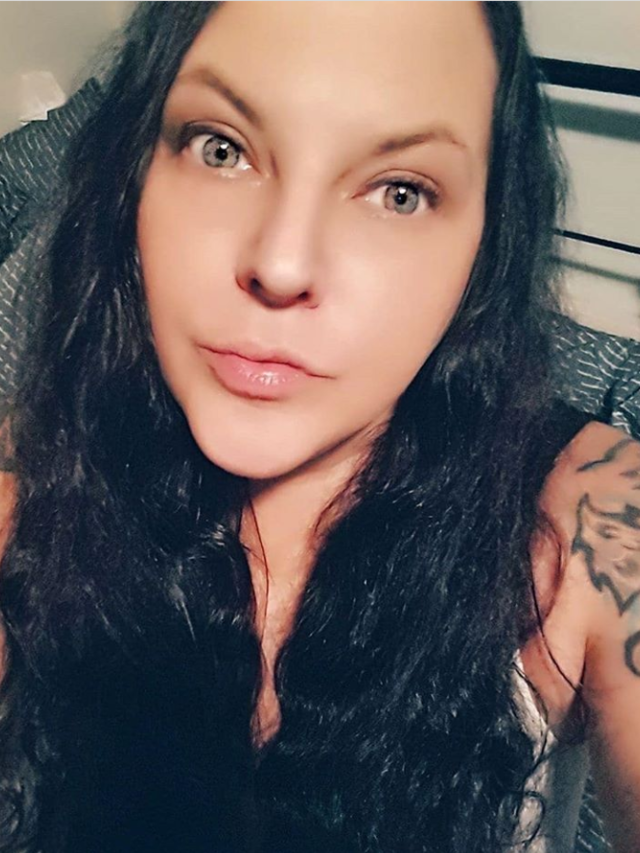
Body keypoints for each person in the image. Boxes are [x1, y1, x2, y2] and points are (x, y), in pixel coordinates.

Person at [0, 2, 637, 851]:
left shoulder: (597, 521)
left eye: (400, 192)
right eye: (221, 148)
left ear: (485, 245)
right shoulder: (39, 479)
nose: (281, 262)